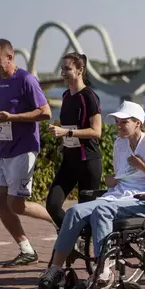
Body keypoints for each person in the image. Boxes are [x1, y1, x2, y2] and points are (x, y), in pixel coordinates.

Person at [38, 101, 145, 289]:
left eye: (123, 121)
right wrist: (113, 180)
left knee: (102, 211)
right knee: (74, 211)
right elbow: (120, 175)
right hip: (117, 196)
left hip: (142, 200)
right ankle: (56, 269)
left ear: (137, 123)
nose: (118, 125)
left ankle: (104, 271)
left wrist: (144, 168)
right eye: (117, 121)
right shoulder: (120, 143)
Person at [0, 38, 55, 267]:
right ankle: (26, 249)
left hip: (24, 150)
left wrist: (13, 117)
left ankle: (60, 221)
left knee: (16, 204)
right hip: (2, 151)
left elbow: (45, 113)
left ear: (10, 57)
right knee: (0, 202)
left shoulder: (26, 80)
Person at [46, 53, 103, 231]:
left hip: (88, 162)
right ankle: (72, 236)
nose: (63, 72)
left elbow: (96, 132)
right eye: (62, 68)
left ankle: (93, 252)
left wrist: (67, 132)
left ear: (80, 70)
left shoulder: (89, 97)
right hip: (69, 161)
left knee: (86, 215)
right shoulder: (65, 96)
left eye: (68, 68)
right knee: (52, 206)